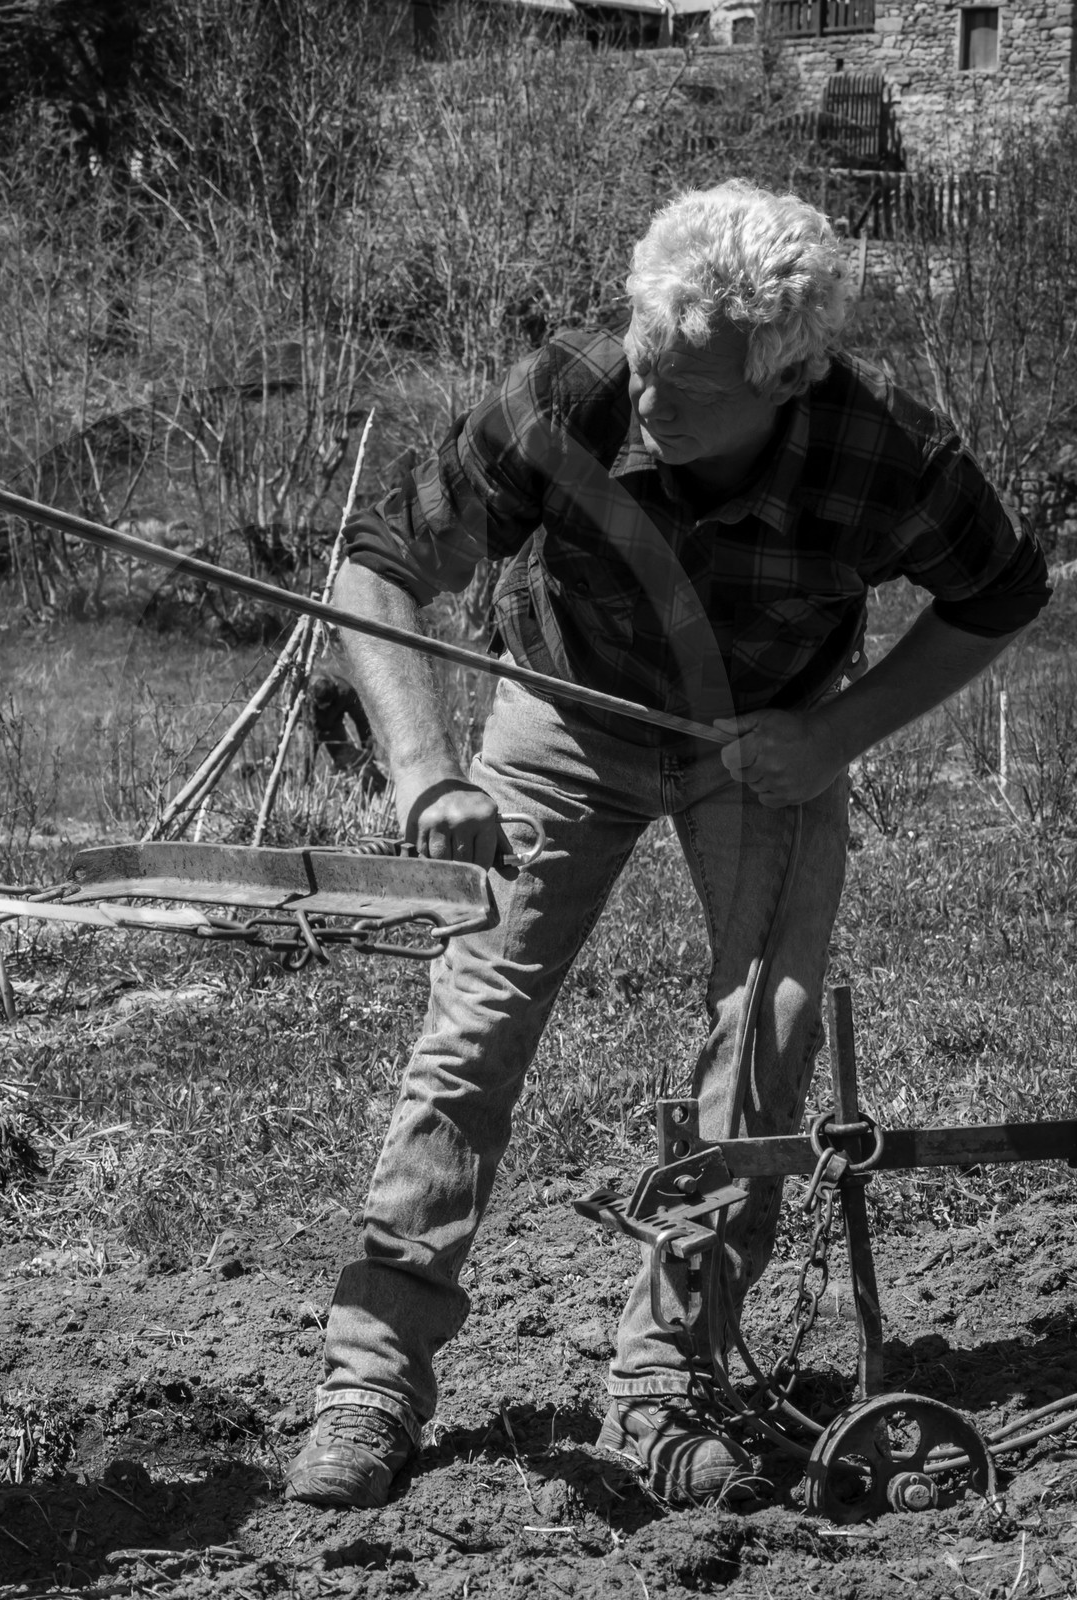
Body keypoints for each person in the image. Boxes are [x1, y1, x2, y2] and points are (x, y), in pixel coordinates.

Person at [284, 180, 1051, 1510]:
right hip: (563, 714)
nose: (647, 411)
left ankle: (670, 1379)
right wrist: (423, 774)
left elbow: (1004, 592)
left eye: (688, 399)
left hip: (765, 738)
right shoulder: (567, 394)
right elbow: (378, 561)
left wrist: (841, 735)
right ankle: (370, 1380)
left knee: (767, 1033)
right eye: (644, 372)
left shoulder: (886, 456)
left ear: (786, 383)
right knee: (473, 1029)